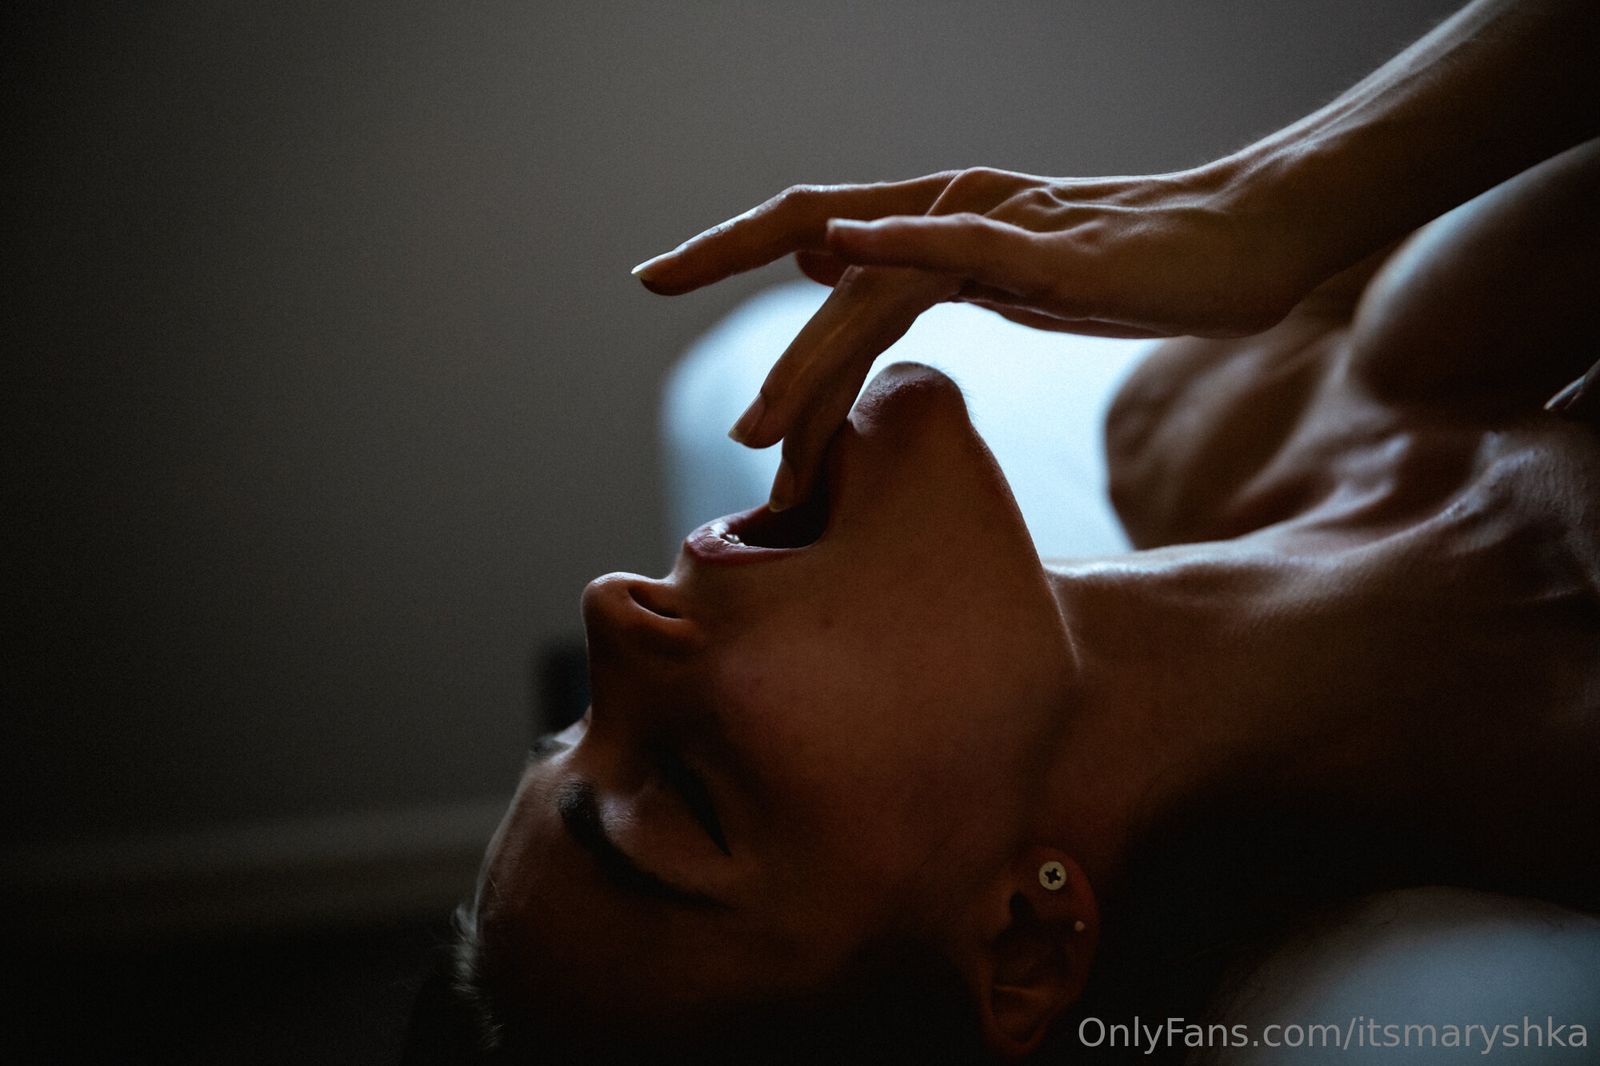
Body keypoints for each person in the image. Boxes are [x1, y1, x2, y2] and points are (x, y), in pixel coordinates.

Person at [405, 0, 1599, 1060]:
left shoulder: (1191, 430)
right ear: (1025, 937)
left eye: (577, 726)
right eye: (681, 788)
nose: (610, 610)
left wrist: (1254, 203)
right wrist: (1275, 206)